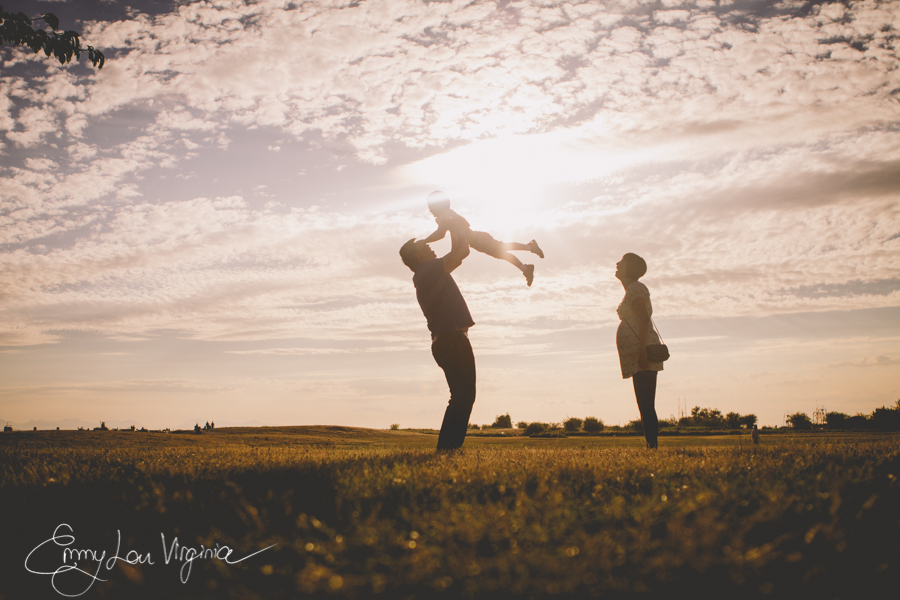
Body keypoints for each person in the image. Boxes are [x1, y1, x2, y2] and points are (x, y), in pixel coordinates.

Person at [400, 215, 477, 451]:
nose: (430, 247)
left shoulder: (427, 273)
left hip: (446, 342)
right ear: (418, 256)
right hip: (452, 341)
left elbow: (460, 253)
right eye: (425, 247)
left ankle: (448, 450)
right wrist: (455, 225)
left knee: (461, 397)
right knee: (462, 398)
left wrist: (456, 226)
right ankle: (447, 450)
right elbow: (461, 252)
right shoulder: (429, 270)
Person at [421, 191, 543, 286]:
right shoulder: (448, 215)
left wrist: (424, 241)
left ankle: (528, 255)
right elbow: (455, 238)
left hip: (477, 240)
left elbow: (440, 234)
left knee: (502, 250)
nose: (429, 210)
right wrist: (453, 255)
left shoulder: (444, 216)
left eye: (430, 206)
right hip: (477, 240)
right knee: (502, 250)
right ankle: (527, 260)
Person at [615, 253, 664, 449]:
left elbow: (644, 319)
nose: (617, 264)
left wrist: (642, 352)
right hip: (637, 354)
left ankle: (652, 447)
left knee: (646, 404)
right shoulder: (632, 290)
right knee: (644, 403)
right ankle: (651, 445)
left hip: (641, 353)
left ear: (630, 268)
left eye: (622, 262)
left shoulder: (636, 288)